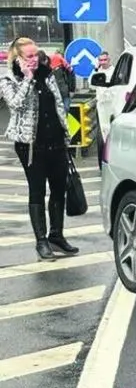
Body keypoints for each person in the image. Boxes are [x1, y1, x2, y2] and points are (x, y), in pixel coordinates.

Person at [0, 37, 79, 261]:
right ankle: (41, 241)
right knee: (37, 191)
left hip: (56, 141)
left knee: (58, 189)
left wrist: (66, 134)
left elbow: (58, 104)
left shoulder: (47, 74)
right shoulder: (9, 80)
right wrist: (27, 79)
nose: (34, 60)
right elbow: (15, 104)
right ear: (18, 58)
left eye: (36, 55)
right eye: (29, 57)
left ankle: (57, 235)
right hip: (30, 145)